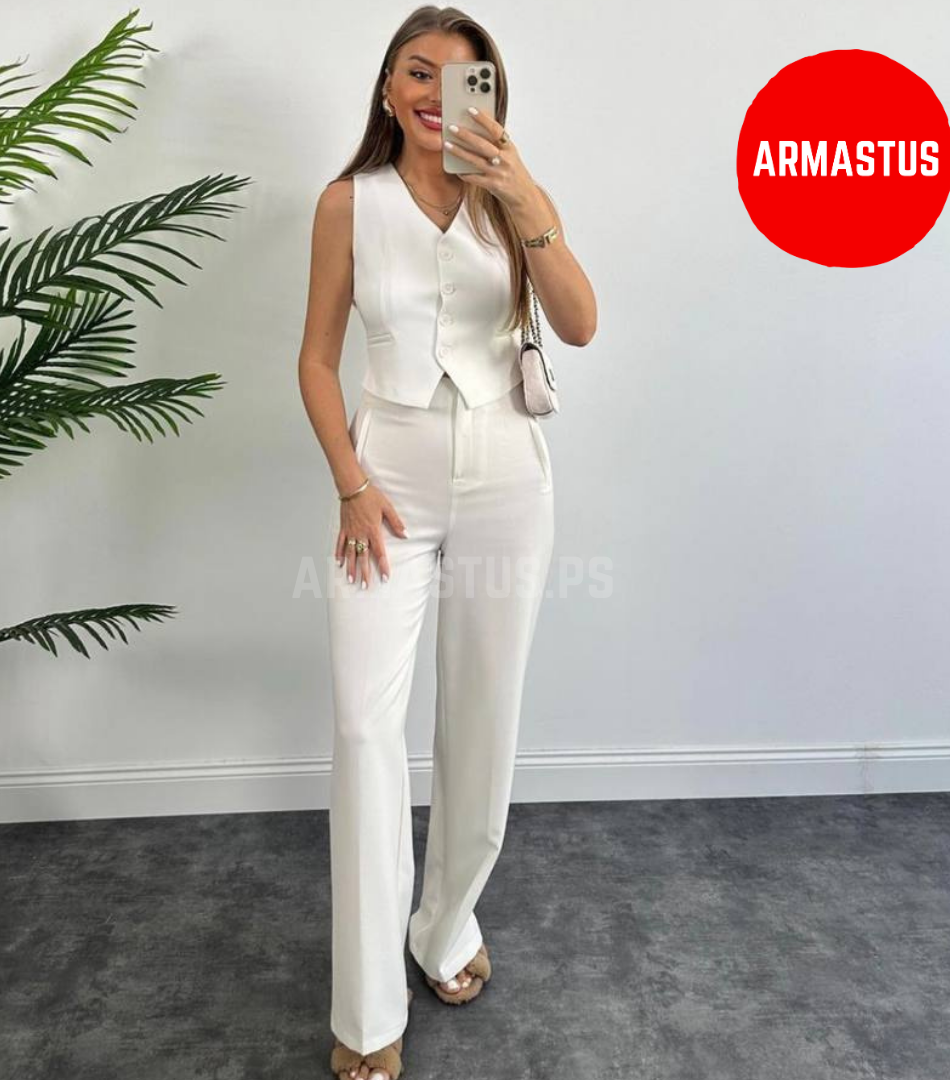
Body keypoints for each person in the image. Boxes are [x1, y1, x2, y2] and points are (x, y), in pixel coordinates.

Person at [297, 8, 596, 1078]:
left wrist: (524, 198)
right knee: (364, 729)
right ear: (388, 88)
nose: (437, 93)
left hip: (508, 476)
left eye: (465, 78)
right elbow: (316, 360)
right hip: (388, 483)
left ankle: (446, 922)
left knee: (482, 717)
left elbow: (581, 324)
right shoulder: (348, 204)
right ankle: (367, 1013)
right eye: (418, 72)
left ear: (490, 97)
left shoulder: (512, 197)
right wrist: (350, 484)